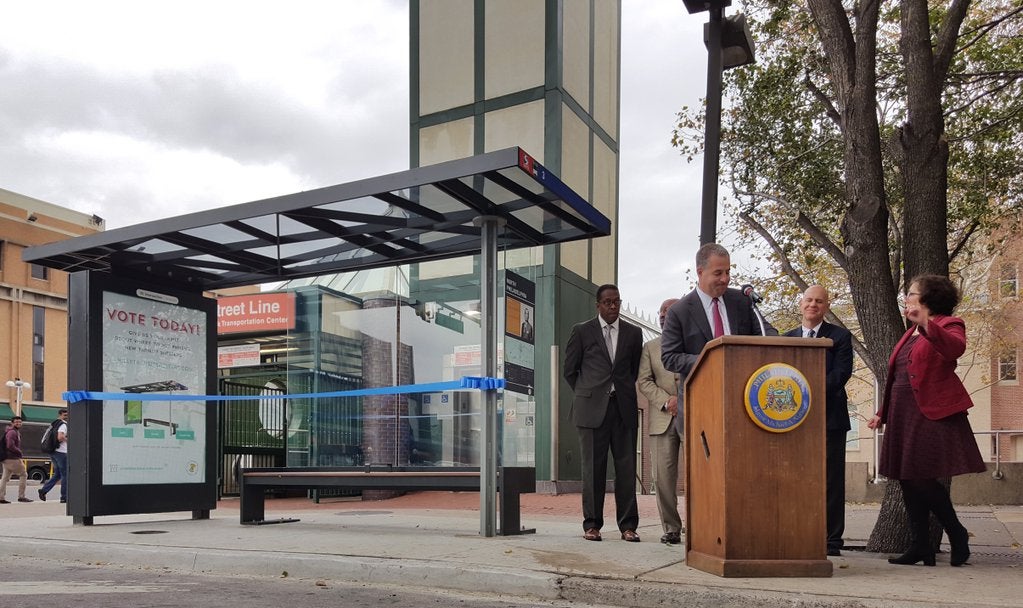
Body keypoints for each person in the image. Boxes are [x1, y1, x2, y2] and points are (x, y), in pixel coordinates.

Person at [867, 275, 985, 567]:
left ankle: (956, 532)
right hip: (903, 412)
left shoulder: (948, 324)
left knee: (920, 478)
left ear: (928, 298)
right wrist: (883, 412)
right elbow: (898, 377)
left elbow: (954, 349)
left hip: (930, 412)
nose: (906, 298)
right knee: (908, 479)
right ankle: (921, 546)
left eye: (911, 294)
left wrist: (927, 324)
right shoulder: (910, 333)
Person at [661, 243, 777, 436]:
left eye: (728, 272)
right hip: (700, 405)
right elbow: (669, 357)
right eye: (718, 273)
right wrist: (712, 359)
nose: (725, 279)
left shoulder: (741, 301)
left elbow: (768, 332)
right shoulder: (679, 311)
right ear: (700, 272)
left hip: (744, 401)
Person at [564, 284, 643, 542]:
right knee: (593, 469)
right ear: (597, 305)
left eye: (616, 302)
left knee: (626, 468)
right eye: (607, 302)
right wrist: (590, 393)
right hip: (590, 411)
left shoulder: (634, 333)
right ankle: (592, 525)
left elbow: (632, 371)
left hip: (623, 409)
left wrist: (616, 391)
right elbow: (570, 371)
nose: (613, 307)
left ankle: (628, 526)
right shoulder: (581, 331)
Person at [785, 285, 853, 556]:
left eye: (819, 301)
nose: (813, 305)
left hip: (830, 419)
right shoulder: (786, 338)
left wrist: (805, 393)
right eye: (809, 300)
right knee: (796, 478)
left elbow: (840, 375)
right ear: (801, 304)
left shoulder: (840, 337)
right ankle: (798, 533)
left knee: (831, 481)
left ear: (826, 306)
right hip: (793, 421)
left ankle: (832, 540)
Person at [638, 297, 684, 545]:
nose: (665, 314)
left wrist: (684, 400)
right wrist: (667, 401)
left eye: (670, 310)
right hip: (662, 418)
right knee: (662, 478)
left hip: (695, 417)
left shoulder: (697, 341)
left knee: (701, 476)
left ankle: (701, 526)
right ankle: (671, 528)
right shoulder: (650, 348)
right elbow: (644, 381)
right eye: (662, 311)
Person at [0, 416, 34, 504]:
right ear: (12, 423)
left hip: (6, 458)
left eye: (20, 422)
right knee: (24, 474)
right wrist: (19, 452)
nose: (18, 423)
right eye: (16, 422)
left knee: (5, 478)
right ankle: (21, 496)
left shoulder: (11, 431)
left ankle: (1, 497)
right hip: (12, 458)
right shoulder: (12, 432)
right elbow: (10, 445)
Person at [38, 408, 69, 503]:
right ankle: (64, 497)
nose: (67, 417)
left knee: (58, 474)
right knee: (65, 474)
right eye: (65, 415)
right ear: (60, 415)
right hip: (61, 452)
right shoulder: (63, 425)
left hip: (53, 451)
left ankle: (43, 490)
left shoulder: (54, 423)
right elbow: (60, 437)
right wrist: (69, 440)